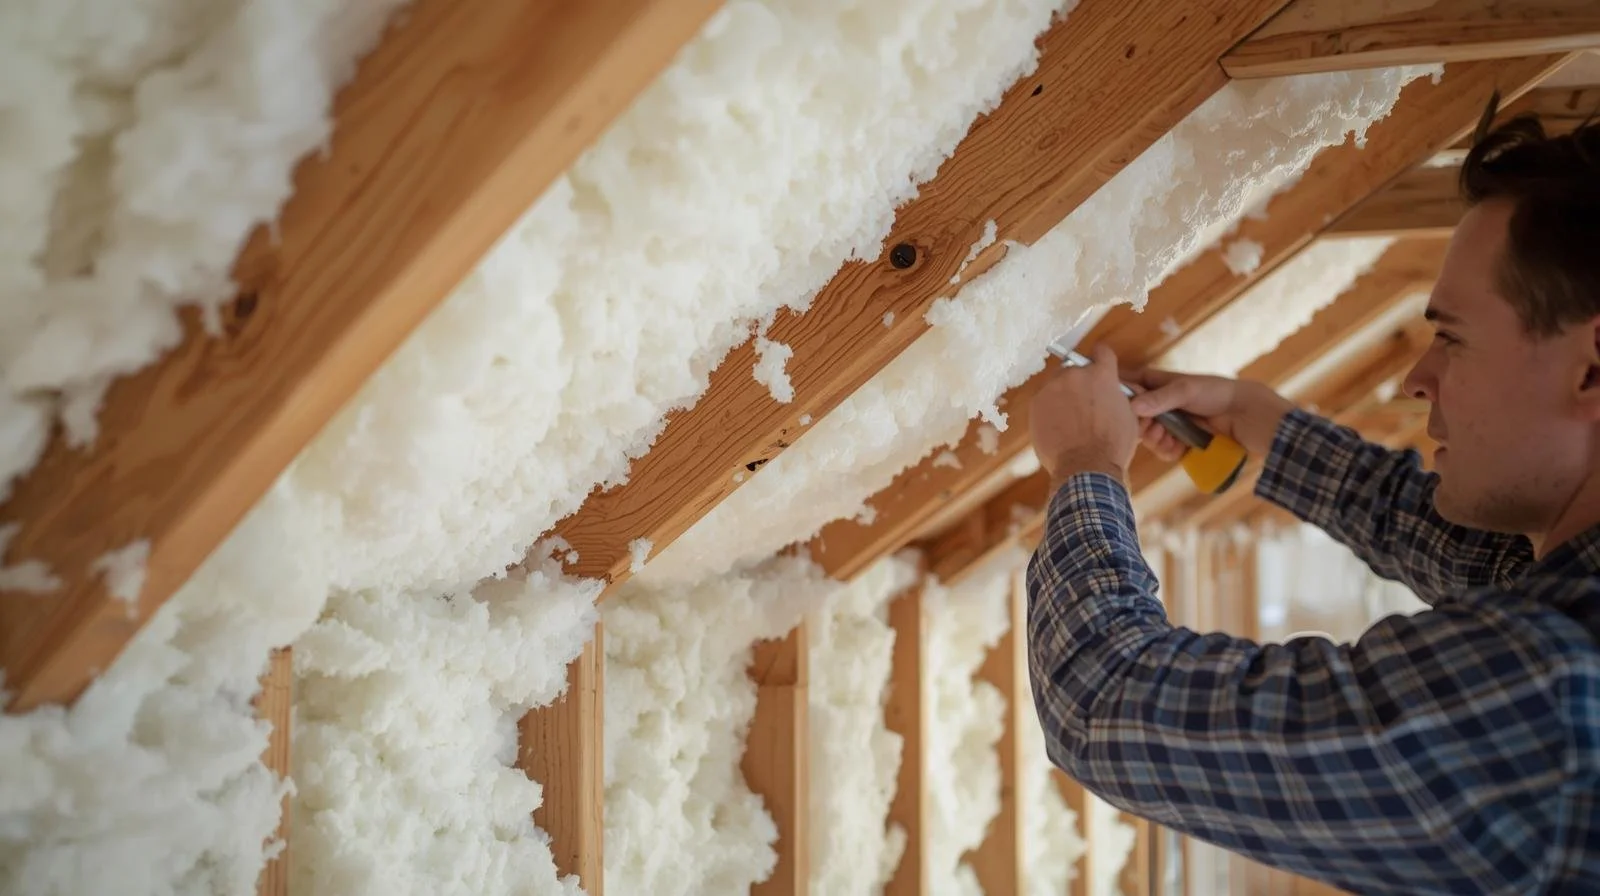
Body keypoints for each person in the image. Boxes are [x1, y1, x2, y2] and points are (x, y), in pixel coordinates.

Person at [1024, 98, 1600, 895]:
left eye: (1454, 337)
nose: (1414, 377)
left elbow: (1104, 704)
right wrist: (1269, 428)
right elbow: (1472, 554)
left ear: (1593, 366)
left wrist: (1086, 462)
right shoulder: (1571, 600)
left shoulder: (1556, 712)